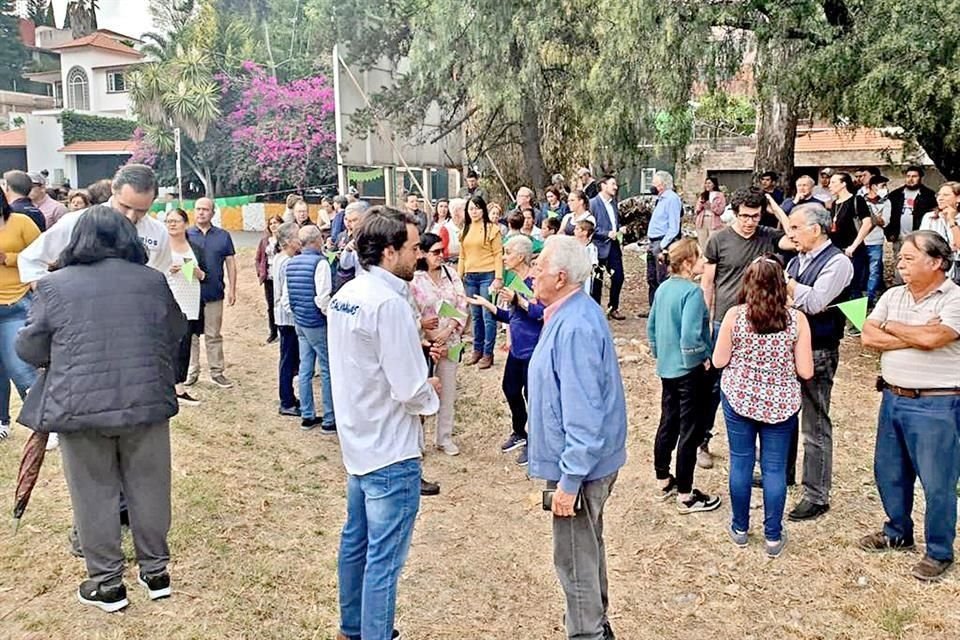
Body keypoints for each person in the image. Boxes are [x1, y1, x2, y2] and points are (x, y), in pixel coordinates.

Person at [16, 205, 187, 612]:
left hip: (80, 406)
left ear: (79, 240)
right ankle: (155, 572)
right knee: (150, 486)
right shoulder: (152, 280)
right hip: (146, 401)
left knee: (93, 492)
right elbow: (176, 329)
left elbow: (29, 347)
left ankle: (107, 583)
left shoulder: (55, 286)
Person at [327, 206, 440, 640]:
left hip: (359, 440)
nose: (419, 254)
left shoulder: (348, 293)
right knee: (384, 559)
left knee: (356, 543)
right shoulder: (388, 303)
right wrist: (430, 389)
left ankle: (351, 628)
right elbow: (409, 389)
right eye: (413, 247)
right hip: (390, 448)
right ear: (389, 252)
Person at [527, 235, 626, 640]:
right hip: (582, 462)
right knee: (585, 547)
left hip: (581, 467)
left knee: (573, 556)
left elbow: (584, 413)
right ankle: (596, 623)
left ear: (561, 277)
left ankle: (587, 632)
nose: (532, 272)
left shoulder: (575, 327)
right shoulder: (569, 312)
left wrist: (569, 481)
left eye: (539, 267)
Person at [859, 231, 960, 582]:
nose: (900, 264)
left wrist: (892, 328)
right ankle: (897, 531)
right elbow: (867, 336)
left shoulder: (954, 299)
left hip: (937, 404)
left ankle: (939, 551)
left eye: (908, 258)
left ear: (936, 262)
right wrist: (911, 333)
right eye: (900, 258)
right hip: (893, 398)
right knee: (889, 472)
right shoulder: (893, 295)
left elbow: (935, 338)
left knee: (937, 482)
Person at [712, 255, 814, 558]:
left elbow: (719, 360)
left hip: (739, 398)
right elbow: (806, 370)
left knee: (741, 462)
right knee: (774, 468)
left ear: (747, 283)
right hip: (781, 403)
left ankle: (740, 528)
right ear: (782, 285)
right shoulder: (797, 320)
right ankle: (772, 536)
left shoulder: (735, 316)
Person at [699, 188, 787, 468]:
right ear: (734, 213)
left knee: (757, 382)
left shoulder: (768, 236)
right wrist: (705, 321)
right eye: (745, 216)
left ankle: (754, 442)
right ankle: (702, 440)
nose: (750, 221)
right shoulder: (718, 240)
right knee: (713, 386)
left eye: (755, 216)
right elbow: (707, 283)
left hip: (760, 323)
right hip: (724, 320)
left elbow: (795, 238)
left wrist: (775, 208)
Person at [782, 203, 854, 521]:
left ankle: (816, 495)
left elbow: (813, 303)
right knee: (783, 415)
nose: (790, 234)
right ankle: (782, 473)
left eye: (795, 228)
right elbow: (796, 300)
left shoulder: (838, 263)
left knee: (815, 424)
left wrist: (790, 285)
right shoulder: (799, 259)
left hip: (819, 351)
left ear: (816, 229)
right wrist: (798, 293)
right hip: (791, 346)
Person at [648, 238, 721, 514]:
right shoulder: (692, 293)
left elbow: (652, 326)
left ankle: (663, 479)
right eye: (700, 257)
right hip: (689, 373)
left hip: (667, 369)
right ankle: (686, 494)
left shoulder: (663, 288)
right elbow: (691, 336)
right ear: (688, 263)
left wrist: (660, 353)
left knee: (668, 422)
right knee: (690, 431)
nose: (704, 262)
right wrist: (701, 358)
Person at [19, 164, 173, 287]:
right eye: (125, 206)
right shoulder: (76, 221)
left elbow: (162, 275)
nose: (130, 216)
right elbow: (30, 260)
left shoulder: (158, 232)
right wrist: (52, 297)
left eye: (141, 211)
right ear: (113, 190)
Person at [469, 235, 544, 466]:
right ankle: (519, 432)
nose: (503, 257)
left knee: (533, 396)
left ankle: (536, 442)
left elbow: (542, 313)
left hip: (533, 350)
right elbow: (511, 317)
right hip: (516, 349)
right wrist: (487, 305)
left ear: (521, 256)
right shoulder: (514, 281)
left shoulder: (536, 282)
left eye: (508, 252)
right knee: (510, 389)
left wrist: (519, 300)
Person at [411, 232, 468, 456]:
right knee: (421, 391)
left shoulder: (451, 274)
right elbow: (411, 311)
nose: (440, 255)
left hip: (450, 341)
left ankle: (444, 438)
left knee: (448, 391)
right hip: (425, 343)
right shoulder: (414, 279)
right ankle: (417, 442)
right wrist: (430, 334)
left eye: (442, 250)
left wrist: (448, 329)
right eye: (435, 252)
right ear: (423, 254)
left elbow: (461, 303)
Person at [286, 225, 336, 433]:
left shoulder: (291, 262)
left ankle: (307, 414)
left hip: (300, 320)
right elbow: (322, 297)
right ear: (318, 240)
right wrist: (330, 315)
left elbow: (288, 296)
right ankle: (329, 418)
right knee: (327, 368)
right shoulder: (320, 263)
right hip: (316, 321)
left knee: (305, 368)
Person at [0, 189, 40, 442]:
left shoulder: (21, 222)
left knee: (20, 367)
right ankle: (1, 421)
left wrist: (8, 258)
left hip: (15, 302)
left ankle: (44, 421)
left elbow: (42, 256)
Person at [185, 197, 237, 389]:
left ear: (213, 213)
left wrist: (232, 289)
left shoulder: (223, 236)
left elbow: (230, 263)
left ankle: (217, 372)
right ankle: (191, 371)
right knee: (191, 335)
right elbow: (180, 260)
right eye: (198, 208)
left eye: (205, 209)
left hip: (214, 292)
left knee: (213, 334)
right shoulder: (186, 235)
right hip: (190, 293)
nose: (201, 212)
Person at [164, 208, 207, 407]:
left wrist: (196, 272)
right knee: (170, 345)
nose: (172, 224)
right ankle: (171, 386)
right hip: (169, 301)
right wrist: (167, 270)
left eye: (176, 221)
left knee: (185, 345)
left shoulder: (193, 247)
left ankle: (179, 386)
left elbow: (202, 275)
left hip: (190, 302)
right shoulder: (163, 247)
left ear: (185, 224)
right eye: (169, 221)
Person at [458, 196, 503, 369]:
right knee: (475, 316)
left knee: (488, 316)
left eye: (477, 208)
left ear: (483, 209)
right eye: (471, 208)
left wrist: (498, 277)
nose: (474, 212)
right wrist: (459, 276)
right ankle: (477, 350)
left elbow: (498, 254)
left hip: (487, 275)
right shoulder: (465, 229)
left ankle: (488, 353)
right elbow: (462, 256)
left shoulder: (492, 229)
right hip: (470, 277)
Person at [885, 166, 938, 281]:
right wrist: (890, 232)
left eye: (914, 176)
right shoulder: (895, 195)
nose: (910, 179)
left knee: (919, 261)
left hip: (918, 236)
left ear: (920, 178)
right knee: (899, 261)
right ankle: (900, 285)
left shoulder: (928, 195)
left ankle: (917, 283)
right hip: (899, 236)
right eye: (908, 176)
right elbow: (888, 215)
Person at [828, 172, 873, 304]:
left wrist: (854, 246)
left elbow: (867, 223)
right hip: (837, 250)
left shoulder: (857, 200)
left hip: (853, 250)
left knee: (854, 286)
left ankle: (857, 314)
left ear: (843, 184)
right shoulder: (835, 204)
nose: (830, 185)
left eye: (833, 182)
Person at [273, 222, 301, 417]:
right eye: (298, 237)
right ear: (289, 241)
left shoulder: (279, 258)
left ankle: (289, 396)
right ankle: (286, 401)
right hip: (288, 318)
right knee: (288, 360)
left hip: (282, 316)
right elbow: (286, 295)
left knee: (288, 359)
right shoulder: (288, 262)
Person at [589, 175, 626, 319]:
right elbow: (589, 227)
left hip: (614, 245)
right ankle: (595, 310)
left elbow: (614, 222)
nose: (615, 187)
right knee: (597, 280)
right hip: (598, 246)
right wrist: (606, 233)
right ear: (603, 186)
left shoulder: (613, 203)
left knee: (618, 277)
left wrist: (619, 229)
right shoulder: (593, 204)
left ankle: (613, 307)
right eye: (613, 184)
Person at [645, 171, 683, 307]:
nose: (652, 185)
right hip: (653, 242)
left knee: (662, 278)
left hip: (662, 243)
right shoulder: (660, 199)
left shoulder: (672, 199)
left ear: (662, 184)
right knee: (652, 278)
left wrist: (662, 245)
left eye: (654, 183)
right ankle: (653, 308)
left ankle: (664, 309)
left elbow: (674, 227)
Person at [918, 182, 960, 282]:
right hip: (935, 267)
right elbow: (923, 242)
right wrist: (947, 248)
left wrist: (951, 221)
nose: (940, 198)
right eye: (939, 195)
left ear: (958, 198)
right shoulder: (929, 217)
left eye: (946, 195)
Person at [863, 175, 892, 305]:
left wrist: (871, 217)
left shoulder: (886, 202)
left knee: (874, 271)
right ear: (873, 186)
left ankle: (870, 298)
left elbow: (884, 222)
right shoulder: (861, 200)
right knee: (860, 270)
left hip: (876, 241)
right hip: (860, 240)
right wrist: (875, 218)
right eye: (882, 186)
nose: (885, 188)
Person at [256, 215, 284, 343]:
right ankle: (273, 331)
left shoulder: (284, 240)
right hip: (268, 277)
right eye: (271, 223)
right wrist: (260, 271)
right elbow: (258, 258)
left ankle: (283, 329)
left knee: (282, 303)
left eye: (276, 222)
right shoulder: (265, 241)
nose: (273, 225)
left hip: (281, 277)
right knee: (271, 305)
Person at [694, 176, 726, 249]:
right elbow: (696, 210)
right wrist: (701, 206)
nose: (707, 185)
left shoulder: (720, 195)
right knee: (702, 243)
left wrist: (711, 207)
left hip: (713, 221)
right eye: (706, 183)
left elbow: (721, 210)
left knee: (712, 242)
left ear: (714, 184)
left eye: (709, 183)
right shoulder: (703, 195)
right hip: (702, 220)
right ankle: (703, 255)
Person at [573, 219, 599, 295]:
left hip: (585, 278)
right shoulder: (572, 245)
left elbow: (593, 263)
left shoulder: (591, 248)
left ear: (585, 232)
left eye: (577, 229)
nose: (574, 231)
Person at [439, 197, 465, 262]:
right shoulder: (445, 229)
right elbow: (444, 252)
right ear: (456, 212)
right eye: (465, 210)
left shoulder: (468, 227)